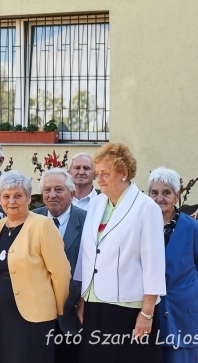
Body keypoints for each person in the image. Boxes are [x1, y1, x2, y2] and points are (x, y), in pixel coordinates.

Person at [75, 143, 165, 363]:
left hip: (130, 309)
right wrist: (82, 298)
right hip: (95, 305)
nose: (99, 179)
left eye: (105, 173)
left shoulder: (146, 207)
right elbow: (86, 253)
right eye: (97, 174)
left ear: (124, 173)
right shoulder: (96, 204)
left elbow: (154, 263)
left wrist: (147, 313)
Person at [0, 171, 70, 363]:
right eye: (6, 196)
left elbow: (61, 272)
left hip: (34, 316)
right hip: (1, 316)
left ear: (28, 197)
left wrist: (58, 310)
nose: (12, 201)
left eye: (18, 195)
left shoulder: (43, 225)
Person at [148, 167, 198, 363]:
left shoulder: (195, 229)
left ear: (176, 196)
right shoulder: (142, 227)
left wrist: (186, 290)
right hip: (151, 313)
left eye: (166, 192)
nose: (160, 198)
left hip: (183, 313)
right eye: (154, 192)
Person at [32, 168, 87, 363]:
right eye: (47, 190)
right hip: (35, 315)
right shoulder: (31, 220)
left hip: (73, 314)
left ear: (72, 194)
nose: (52, 195)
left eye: (58, 189)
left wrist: (84, 300)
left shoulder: (87, 221)